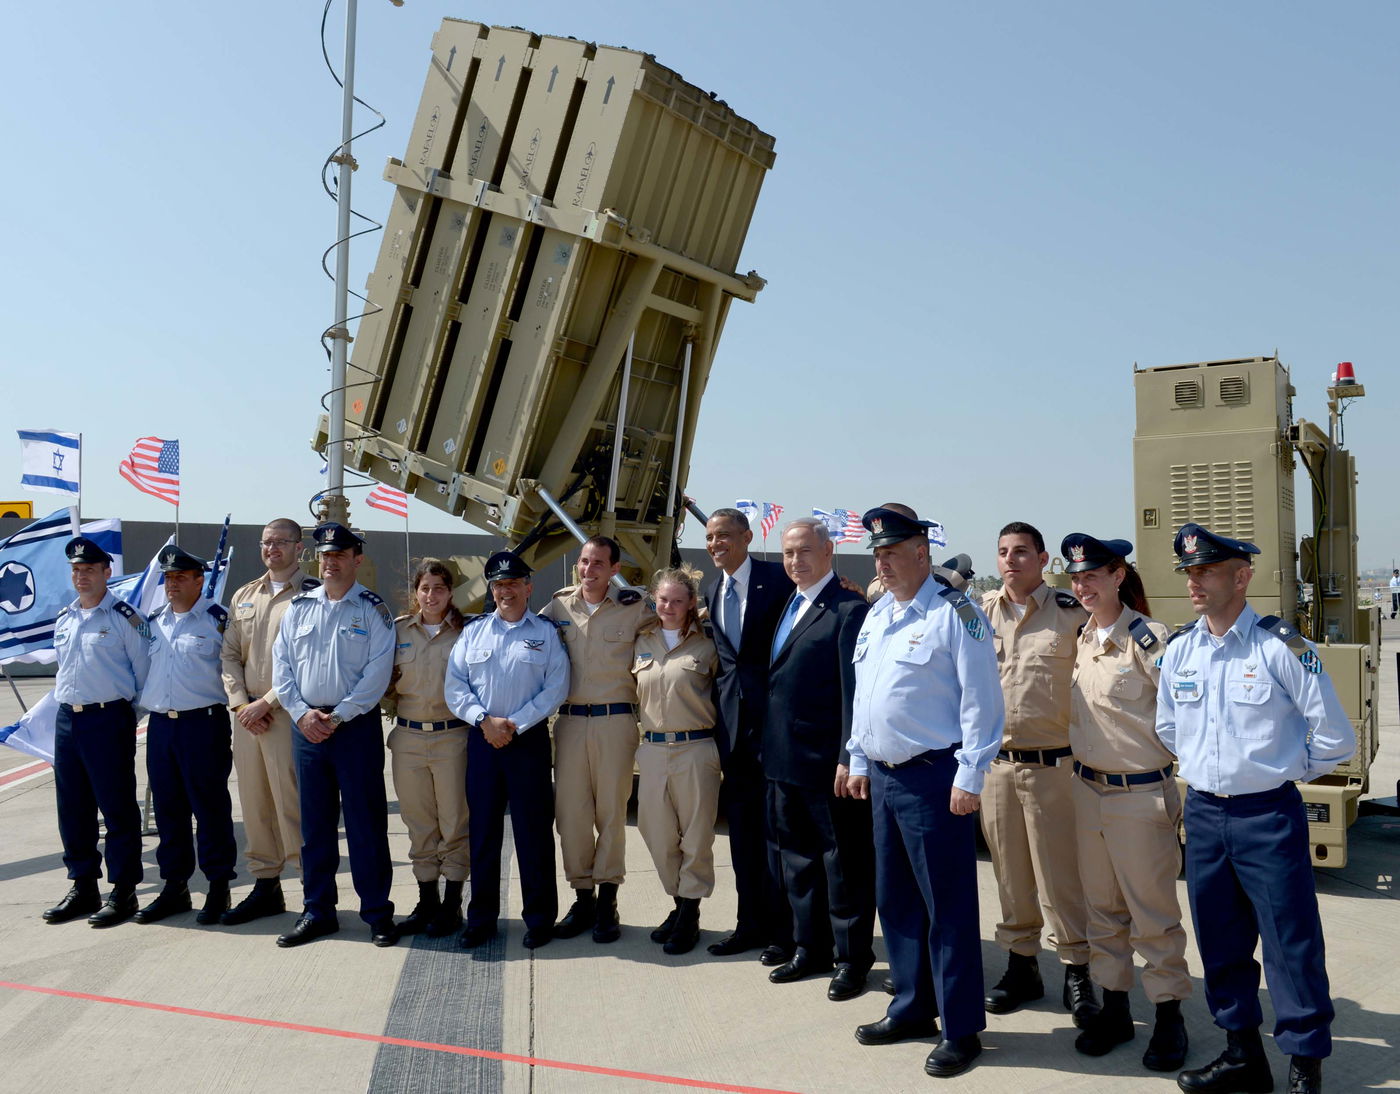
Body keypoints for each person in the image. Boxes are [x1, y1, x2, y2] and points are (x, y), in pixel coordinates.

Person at [1157, 523, 1355, 1094]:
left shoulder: (1280, 647)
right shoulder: (1180, 650)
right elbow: (1169, 727)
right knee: (1219, 942)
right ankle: (1243, 1055)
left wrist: (1282, 771)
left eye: (1207, 571)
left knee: (1290, 945)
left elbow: (1334, 737)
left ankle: (1303, 1069)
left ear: (1241, 576)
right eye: (1189, 572)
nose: (1194, 582)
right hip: (1204, 816)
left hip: (1267, 815)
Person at [846, 506, 1004, 1079]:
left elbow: (982, 699)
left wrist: (970, 774)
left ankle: (960, 1028)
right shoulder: (879, 615)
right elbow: (866, 695)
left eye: (892, 553)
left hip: (935, 776)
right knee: (899, 902)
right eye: (877, 554)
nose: (882, 563)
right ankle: (912, 1007)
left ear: (922, 554)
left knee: (949, 906)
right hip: (886, 778)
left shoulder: (955, 614)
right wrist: (859, 756)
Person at [1060, 533, 1190, 1071]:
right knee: (1102, 914)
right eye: (1076, 577)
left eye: (1093, 575)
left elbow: (1183, 716)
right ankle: (1114, 1009)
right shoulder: (1084, 637)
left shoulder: (1149, 639)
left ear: (1118, 576)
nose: (1083, 586)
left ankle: (1168, 1019)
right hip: (1089, 793)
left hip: (1140, 797)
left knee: (1153, 917)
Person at [977, 521, 1098, 1025]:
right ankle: (1021, 965)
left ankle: (1077, 970)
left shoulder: (1071, 615)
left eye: (1021, 552)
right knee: (1010, 876)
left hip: (1055, 767)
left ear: (1044, 559)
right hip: (997, 768)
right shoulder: (978, 614)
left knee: (1061, 878)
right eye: (1003, 552)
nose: (1011, 560)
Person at [271, 522, 397, 948]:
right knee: (315, 828)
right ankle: (317, 910)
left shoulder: (372, 610)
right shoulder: (300, 608)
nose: (330, 562)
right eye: (325, 556)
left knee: (366, 825)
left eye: (339, 555)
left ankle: (377, 912)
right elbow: (282, 668)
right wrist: (303, 714)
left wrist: (338, 716)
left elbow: (376, 675)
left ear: (356, 560)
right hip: (307, 730)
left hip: (353, 729)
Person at [764, 517, 875, 1002]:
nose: (796, 561)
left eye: (805, 551)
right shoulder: (787, 603)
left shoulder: (848, 609)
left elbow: (855, 695)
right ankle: (809, 947)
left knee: (843, 865)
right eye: (789, 552)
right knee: (799, 863)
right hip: (784, 761)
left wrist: (849, 756)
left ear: (829, 553)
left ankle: (852, 959)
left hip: (829, 765)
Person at [445, 551, 569, 950]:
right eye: (499, 584)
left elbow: (556, 687)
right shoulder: (474, 631)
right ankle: (480, 919)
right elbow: (455, 685)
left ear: (529, 588)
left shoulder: (546, 633)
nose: (506, 591)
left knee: (534, 834)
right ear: (492, 590)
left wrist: (513, 724)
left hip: (526, 742)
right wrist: (485, 721)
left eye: (513, 583)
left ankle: (539, 920)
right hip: (482, 740)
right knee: (482, 835)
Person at [540, 536, 646, 944]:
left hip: (615, 723)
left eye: (598, 563)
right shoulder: (558, 606)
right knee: (571, 817)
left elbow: (679, 617)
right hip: (568, 724)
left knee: (612, 816)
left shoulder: (635, 608)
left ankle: (608, 901)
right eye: (584, 562)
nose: (588, 570)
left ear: (614, 569)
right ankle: (582, 896)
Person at [42, 536, 151, 928]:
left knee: (117, 808)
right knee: (72, 807)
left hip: (108, 720)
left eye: (89, 569)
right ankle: (83, 885)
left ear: (107, 572)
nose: (81, 576)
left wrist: (124, 716)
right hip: (68, 719)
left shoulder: (126, 618)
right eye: (76, 570)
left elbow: (144, 673)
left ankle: (123, 890)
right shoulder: (65, 617)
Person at [701, 507, 794, 963]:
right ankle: (747, 923)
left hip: (778, 728)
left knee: (781, 837)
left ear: (746, 537)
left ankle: (785, 930)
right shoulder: (711, 588)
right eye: (710, 538)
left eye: (723, 536)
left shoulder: (779, 580)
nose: (716, 544)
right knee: (742, 837)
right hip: (734, 733)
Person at [219, 519, 319, 925]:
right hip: (246, 720)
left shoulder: (311, 596)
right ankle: (266, 886)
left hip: (287, 715)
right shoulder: (245, 595)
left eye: (280, 542)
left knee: (291, 805)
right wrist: (241, 703)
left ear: (299, 548)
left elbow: (306, 660)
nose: (272, 549)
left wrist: (267, 702)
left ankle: (312, 892)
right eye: (266, 542)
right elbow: (229, 654)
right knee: (255, 804)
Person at [134, 544, 238, 926]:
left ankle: (217, 887)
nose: (172, 584)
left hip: (203, 725)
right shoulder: (153, 621)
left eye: (180, 577)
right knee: (168, 810)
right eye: (168, 578)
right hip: (161, 727)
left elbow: (235, 668)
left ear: (200, 581)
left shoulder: (218, 620)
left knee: (209, 810)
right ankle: (174, 886)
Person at [632, 566, 721, 955]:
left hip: (696, 748)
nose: (668, 606)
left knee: (697, 835)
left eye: (678, 601)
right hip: (651, 749)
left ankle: (689, 914)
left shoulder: (707, 646)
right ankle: (678, 901)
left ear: (692, 605)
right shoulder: (640, 640)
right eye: (662, 599)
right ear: (654, 598)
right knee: (657, 833)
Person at [385, 559, 469, 938]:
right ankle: (427, 901)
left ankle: (453, 905)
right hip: (409, 739)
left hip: (453, 737)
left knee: (453, 823)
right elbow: (382, 679)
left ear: (450, 593)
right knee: (418, 823)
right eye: (425, 588)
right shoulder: (398, 632)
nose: (431, 595)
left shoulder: (467, 633)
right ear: (415, 593)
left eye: (439, 588)